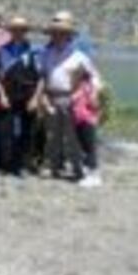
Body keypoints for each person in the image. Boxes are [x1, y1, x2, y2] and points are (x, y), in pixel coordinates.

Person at [33, 11, 101, 181]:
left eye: (61, 33)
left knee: (73, 137)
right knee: (52, 136)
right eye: (54, 32)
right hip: (52, 98)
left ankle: (80, 170)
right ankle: (54, 167)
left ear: (68, 35)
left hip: (73, 100)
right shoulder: (46, 54)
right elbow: (42, 76)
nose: (57, 36)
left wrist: (93, 95)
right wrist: (42, 98)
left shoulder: (79, 56)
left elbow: (94, 77)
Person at [0, 17, 40, 176]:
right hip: (9, 94)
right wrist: (2, 96)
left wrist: (35, 98)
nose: (18, 32)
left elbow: (41, 77)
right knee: (5, 130)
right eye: (14, 29)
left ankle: (23, 164)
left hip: (28, 95)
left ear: (25, 31)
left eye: (21, 30)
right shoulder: (2, 50)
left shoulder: (34, 50)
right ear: (10, 32)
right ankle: (7, 165)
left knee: (28, 130)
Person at [70, 66, 102, 188]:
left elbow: (95, 104)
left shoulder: (88, 88)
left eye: (74, 75)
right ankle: (87, 174)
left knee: (89, 149)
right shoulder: (77, 88)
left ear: (80, 76)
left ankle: (93, 177)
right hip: (78, 121)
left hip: (87, 121)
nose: (71, 78)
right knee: (83, 148)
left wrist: (93, 99)